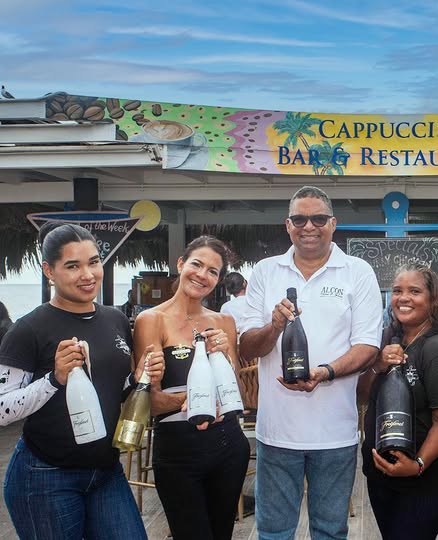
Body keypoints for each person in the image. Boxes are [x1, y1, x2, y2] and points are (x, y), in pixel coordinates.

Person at [0, 223, 164, 540]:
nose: (87, 275)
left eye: (93, 262)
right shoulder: (28, 329)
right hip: (46, 475)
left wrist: (138, 378)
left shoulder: (115, 319)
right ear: (49, 271)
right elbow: (3, 409)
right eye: (73, 266)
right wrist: (54, 379)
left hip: (106, 470)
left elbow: (112, 389)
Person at [240, 185, 383, 540]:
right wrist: (274, 326)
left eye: (318, 219)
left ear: (333, 224)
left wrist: (325, 372)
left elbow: (368, 346)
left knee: (330, 531)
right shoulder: (265, 271)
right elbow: (247, 345)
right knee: (273, 533)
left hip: (335, 433)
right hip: (277, 432)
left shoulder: (357, 271)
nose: (309, 227)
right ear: (287, 225)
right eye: (300, 219)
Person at [133, 235, 250, 540]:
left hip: (229, 446)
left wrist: (227, 355)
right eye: (196, 264)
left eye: (212, 271)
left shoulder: (224, 321)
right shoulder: (151, 320)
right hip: (178, 450)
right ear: (181, 264)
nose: (202, 275)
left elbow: (238, 395)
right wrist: (196, 401)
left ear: (218, 280)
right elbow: (149, 404)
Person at [358, 264, 438, 540]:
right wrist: (378, 365)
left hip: (425, 478)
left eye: (414, 291)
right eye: (397, 291)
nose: (403, 298)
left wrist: (418, 464)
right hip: (381, 473)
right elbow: (362, 395)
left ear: (433, 299)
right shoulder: (386, 338)